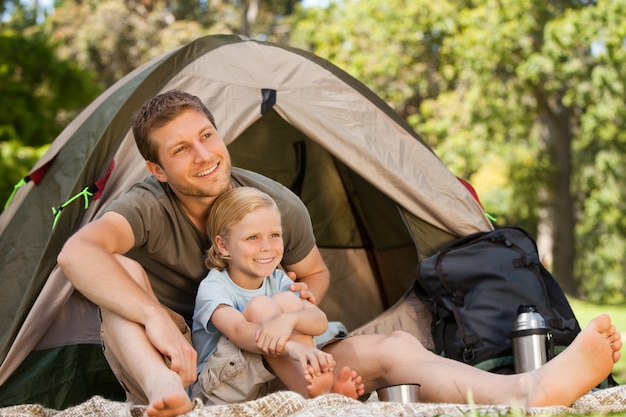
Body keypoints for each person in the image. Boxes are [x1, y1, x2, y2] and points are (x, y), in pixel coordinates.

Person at [57, 90, 622, 417]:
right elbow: (76, 255)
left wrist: (297, 309)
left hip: (286, 364)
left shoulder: (271, 205)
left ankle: (527, 391)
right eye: (181, 149)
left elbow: (315, 277)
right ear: (158, 169)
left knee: (396, 344)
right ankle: (165, 399)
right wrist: (157, 317)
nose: (204, 155)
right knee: (119, 272)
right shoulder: (148, 205)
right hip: (191, 371)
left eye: (207, 134)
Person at [191, 186, 364, 403]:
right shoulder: (213, 288)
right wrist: (295, 349)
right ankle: (319, 396)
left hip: (272, 379)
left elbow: (319, 321)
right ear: (223, 246)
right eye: (252, 237)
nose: (267, 247)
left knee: (287, 302)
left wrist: (289, 319)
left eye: (274, 235)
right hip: (222, 387)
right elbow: (239, 330)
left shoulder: (278, 279)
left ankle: (316, 390)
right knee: (260, 306)